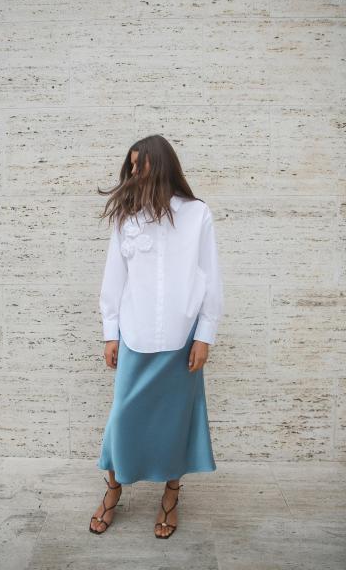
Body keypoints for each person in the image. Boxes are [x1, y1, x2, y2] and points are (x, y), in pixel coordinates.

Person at [89, 134, 224, 539]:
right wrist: (110, 333)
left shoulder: (197, 214)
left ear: (160, 164)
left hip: (182, 340)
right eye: (130, 164)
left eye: (139, 163)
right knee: (122, 419)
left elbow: (210, 277)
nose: (133, 171)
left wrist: (205, 335)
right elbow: (114, 278)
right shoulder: (126, 218)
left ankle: (170, 495)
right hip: (135, 334)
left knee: (175, 422)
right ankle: (113, 490)